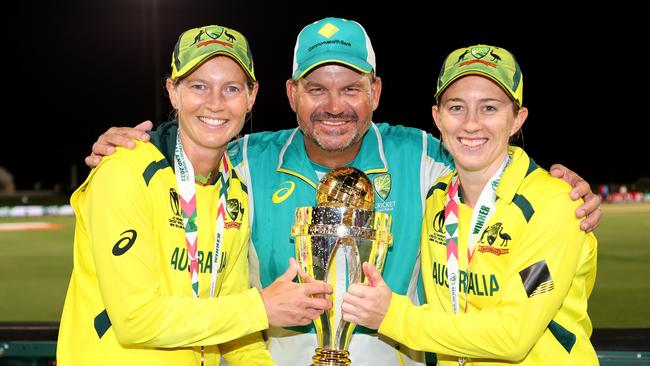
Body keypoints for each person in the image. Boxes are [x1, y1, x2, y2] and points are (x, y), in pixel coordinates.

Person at [84, 18, 601, 366]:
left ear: (375, 92)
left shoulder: (423, 156)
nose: (335, 105)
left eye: (351, 87)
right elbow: (194, 146)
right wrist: (140, 143)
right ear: (289, 94)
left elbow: (487, 154)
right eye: (316, 88)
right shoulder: (246, 159)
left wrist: (562, 187)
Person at [57, 24, 332, 366]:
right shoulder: (124, 172)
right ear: (173, 92)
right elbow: (135, 320)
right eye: (199, 86)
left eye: (231, 88)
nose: (215, 104)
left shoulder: (235, 193)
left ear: (252, 97)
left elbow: (238, 335)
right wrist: (261, 306)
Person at [341, 44, 598, 365]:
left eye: (489, 108)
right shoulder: (436, 199)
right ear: (437, 117)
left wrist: (394, 316)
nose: (471, 123)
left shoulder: (556, 205)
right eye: (457, 108)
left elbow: (513, 335)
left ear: (518, 118)